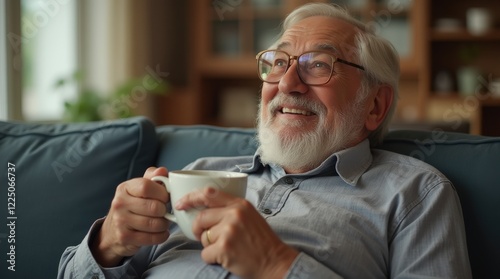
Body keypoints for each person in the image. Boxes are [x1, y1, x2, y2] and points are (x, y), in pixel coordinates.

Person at [58, 3, 472, 278]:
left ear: (375, 107)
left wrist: (277, 264)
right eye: (278, 62)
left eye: (319, 65)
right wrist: (109, 242)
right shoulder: (199, 175)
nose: (287, 83)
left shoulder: (415, 195)